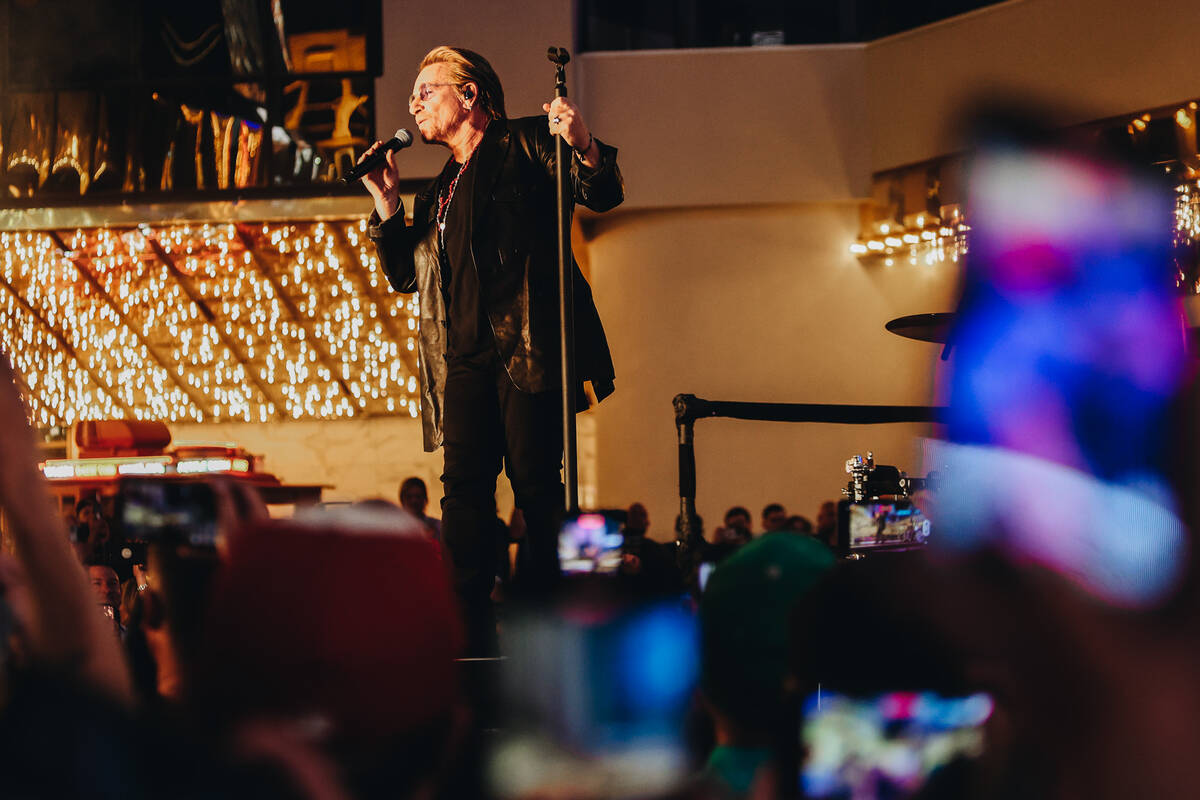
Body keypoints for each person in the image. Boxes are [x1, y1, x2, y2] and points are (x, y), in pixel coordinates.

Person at [361, 46, 624, 655]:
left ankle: (556, 625)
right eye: (413, 93)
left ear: (471, 95)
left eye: (428, 89)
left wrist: (582, 143)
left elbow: (601, 190)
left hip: (527, 345)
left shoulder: (528, 144)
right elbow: (406, 275)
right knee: (463, 497)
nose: (414, 102)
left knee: (537, 489)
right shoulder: (441, 189)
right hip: (464, 360)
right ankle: (467, 636)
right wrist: (387, 203)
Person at [398, 476, 442, 542]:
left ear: (425, 499)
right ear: (402, 500)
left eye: (418, 496)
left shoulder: (437, 527)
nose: (414, 501)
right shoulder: (394, 529)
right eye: (409, 497)